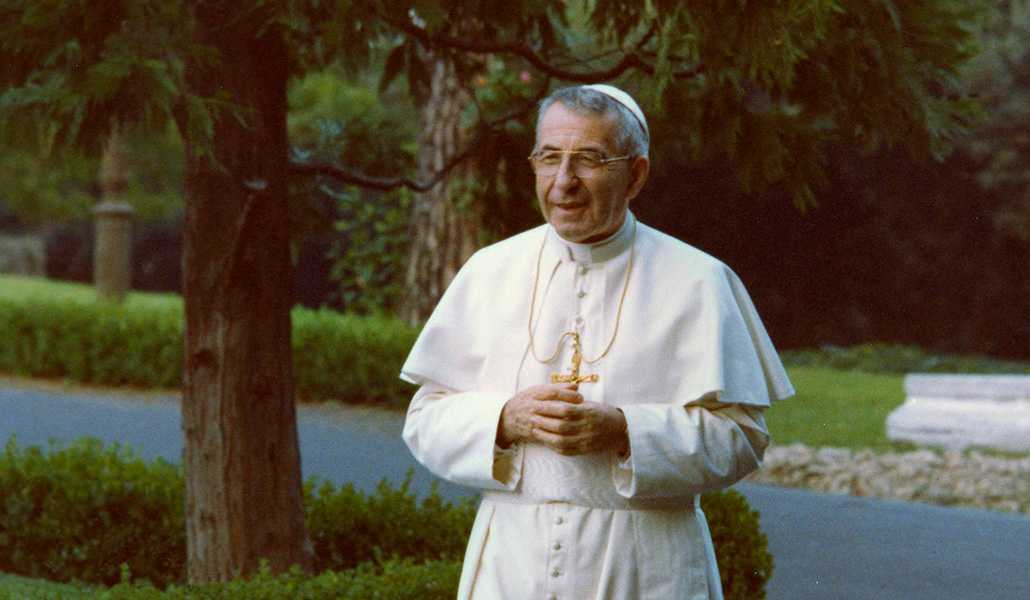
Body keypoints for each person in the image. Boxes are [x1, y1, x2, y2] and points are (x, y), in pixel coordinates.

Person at [401, 84, 794, 600]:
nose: (564, 182)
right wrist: (503, 419)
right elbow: (425, 419)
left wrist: (625, 432)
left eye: (588, 160)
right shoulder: (489, 270)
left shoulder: (698, 280)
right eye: (549, 159)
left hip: (646, 565)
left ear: (635, 175)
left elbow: (742, 436)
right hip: (512, 563)